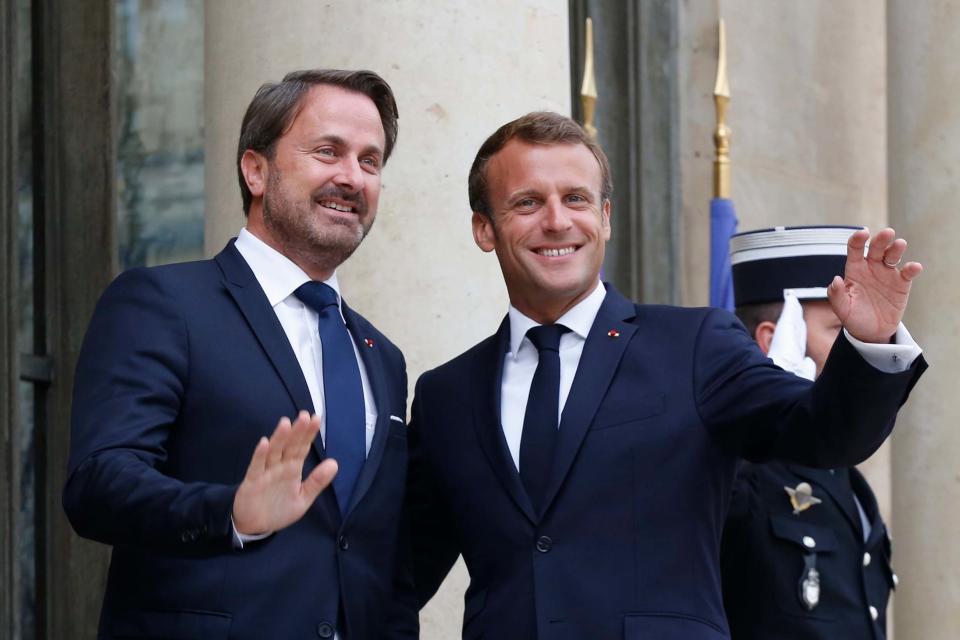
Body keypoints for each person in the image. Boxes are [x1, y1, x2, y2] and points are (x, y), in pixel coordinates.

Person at [404, 112, 926, 639]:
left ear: (606, 217)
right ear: (484, 229)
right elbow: (395, 581)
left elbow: (824, 431)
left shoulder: (694, 346)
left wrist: (868, 344)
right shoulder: (446, 395)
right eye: (527, 202)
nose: (557, 220)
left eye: (577, 199)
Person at [64, 69, 414, 640]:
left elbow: (382, 556)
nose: (351, 177)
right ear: (256, 170)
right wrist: (230, 513)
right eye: (328, 151)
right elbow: (98, 484)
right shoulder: (165, 304)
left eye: (370, 161)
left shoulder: (383, 358)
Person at [721, 225, 901, 639]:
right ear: (773, 339)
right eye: (840, 330)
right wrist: (762, 409)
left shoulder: (847, 479)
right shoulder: (739, 467)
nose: (858, 341)